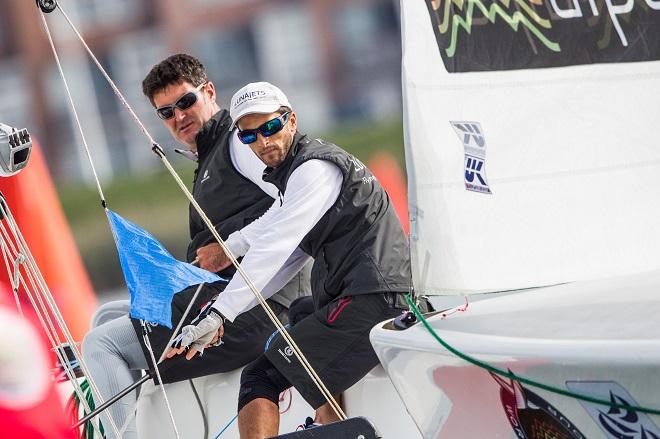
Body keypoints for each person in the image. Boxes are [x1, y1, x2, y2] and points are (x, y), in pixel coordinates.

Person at [168, 82, 427, 438]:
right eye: (249, 137)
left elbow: (275, 245)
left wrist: (218, 313)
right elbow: (278, 241)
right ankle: (331, 427)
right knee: (303, 310)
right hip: (368, 295)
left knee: (260, 375)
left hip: (376, 300)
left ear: (291, 121)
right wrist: (222, 312)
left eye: (270, 128)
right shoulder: (296, 176)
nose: (262, 142)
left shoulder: (313, 171)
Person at [81, 56, 311, 439]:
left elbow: (295, 203)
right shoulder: (210, 155)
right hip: (231, 301)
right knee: (107, 315)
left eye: (186, 103)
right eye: (166, 112)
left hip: (256, 311)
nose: (178, 117)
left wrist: (228, 248)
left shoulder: (240, 144)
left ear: (208, 92)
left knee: (101, 345)